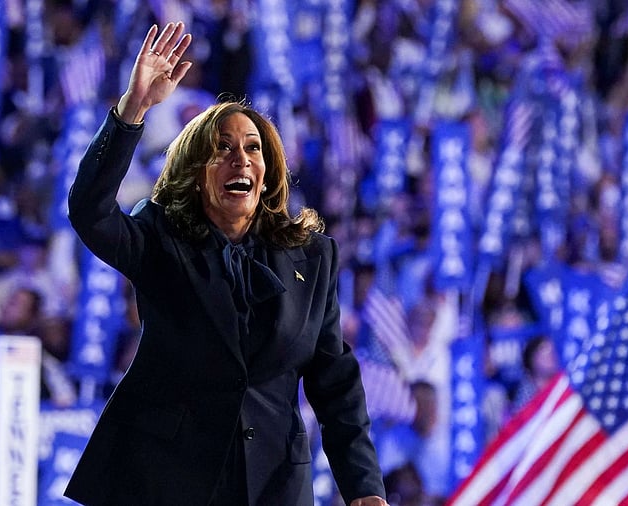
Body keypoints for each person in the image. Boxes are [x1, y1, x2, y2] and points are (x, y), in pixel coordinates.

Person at [63, 22, 388, 506]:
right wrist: (133, 109)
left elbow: (336, 384)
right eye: (222, 149)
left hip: (275, 485)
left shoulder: (314, 258)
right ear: (195, 174)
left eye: (253, 148)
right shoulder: (159, 237)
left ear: (269, 171)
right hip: (170, 482)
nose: (241, 160)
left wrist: (364, 489)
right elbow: (89, 211)